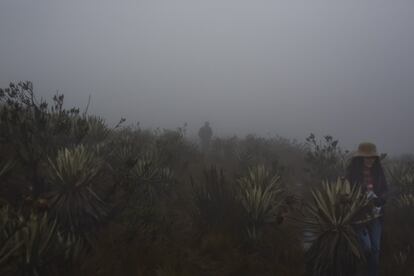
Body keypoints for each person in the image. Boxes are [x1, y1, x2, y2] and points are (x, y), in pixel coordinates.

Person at [346, 142, 388, 276]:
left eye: (372, 157)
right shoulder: (352, 174)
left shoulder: (379, 172)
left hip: (376, 214)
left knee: (375, 249)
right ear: (360, 158)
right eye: (367, 157)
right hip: (359, 215)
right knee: (366, 247)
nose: (370, 160)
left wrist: (381, 199)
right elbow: (346, 193)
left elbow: (385, 190)